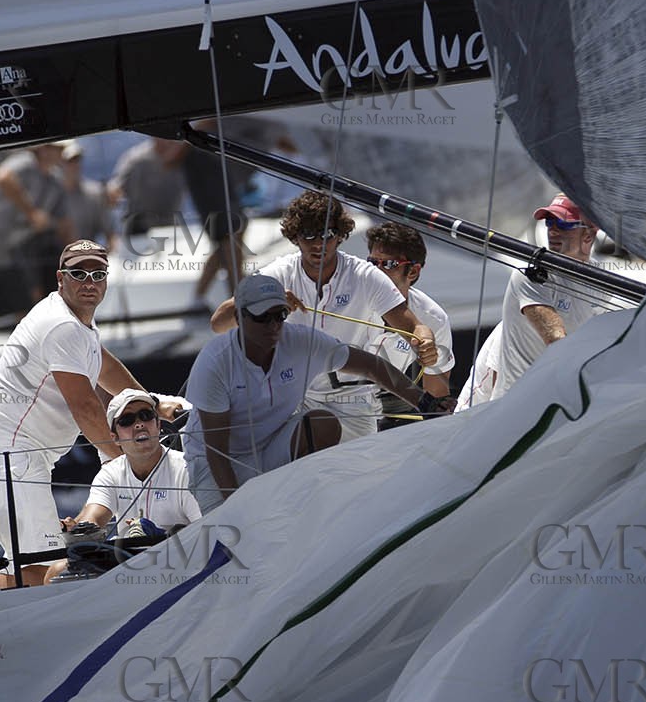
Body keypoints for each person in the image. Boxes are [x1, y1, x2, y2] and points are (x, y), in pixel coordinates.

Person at [0, 241, 169, 588]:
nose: (89, 282)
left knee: (25, 565)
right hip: (10, 456)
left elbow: (104, 366)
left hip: (17, 456)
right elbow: (85, 407)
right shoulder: (62, 326)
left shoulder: (78, 324)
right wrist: (131, 464)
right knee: (43, 566)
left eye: (98, 274)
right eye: (78, 274)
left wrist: (152, 404)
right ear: (60, 278)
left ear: (106, 280)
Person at [186, 274, 452, 513]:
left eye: (280, 315)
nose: (273, 325)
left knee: (321, 423)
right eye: (262, 317)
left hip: (270, 447)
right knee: (232, 532)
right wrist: (236, 511)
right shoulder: (215, 362)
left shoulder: (300, 340)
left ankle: (307, 509)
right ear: (239, 318)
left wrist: (424, 402)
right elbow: (216, 451)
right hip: (216, 464)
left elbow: (371, 366)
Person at [209, 191, 438, 444]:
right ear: (295, 237)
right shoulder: (279, 274)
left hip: (353, 402)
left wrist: (425, 342)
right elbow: (218, 324)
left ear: (340, 236)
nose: (318, 243)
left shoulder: (365, 275)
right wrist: (263, 300)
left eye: (327, 234)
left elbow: (415, 327)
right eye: (309, 235)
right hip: (291, 396)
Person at [44, 389, 200, 581]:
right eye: (127, 420)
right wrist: (75, 529)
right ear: (115, 437)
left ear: (158, 425)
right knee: (55, 571)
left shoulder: (187, 467)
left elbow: (204, 531)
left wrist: (161, 536)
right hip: (127, 563)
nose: (139, 424)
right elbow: (92, 520)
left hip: (179, 559)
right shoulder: (110, 473)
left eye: (146, 415)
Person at [489, 194, 611, 400]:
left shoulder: (601, 280)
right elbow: (556, 340)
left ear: (588, 235)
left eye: (563, 224)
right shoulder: (531, 273)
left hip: (558, 400)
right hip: (517, 402)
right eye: (549, 222)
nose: (552, 230)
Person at [184, 116, 295, 311]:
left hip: (230, 178)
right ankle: (240, 300)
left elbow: (286, 144)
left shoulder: (272, 124)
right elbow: (202, 123)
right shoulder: (236, 117)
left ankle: (204, 299)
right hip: (211, 168)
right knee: (230, 235)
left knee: (233, 235)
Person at [363, 223, 455, 428]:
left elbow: (436, 399)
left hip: (386, 403)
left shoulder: (434, 319)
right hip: (326, 398)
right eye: (372, 262)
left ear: (412, 271)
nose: (376, 271)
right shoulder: (350, 296)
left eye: (388, 264)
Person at [0, 142, 72, 321]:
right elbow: (3, 178)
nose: (60, 153)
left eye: (61, 149)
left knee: (21, 299)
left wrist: (78, 255)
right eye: (56, 148)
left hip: (11, 247)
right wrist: (31, 213)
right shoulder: (25, 161)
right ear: (42, 149)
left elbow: (64, 223)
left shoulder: (56, 181)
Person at [108, 136, 187, 238]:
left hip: (172, 228)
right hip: (139, 231)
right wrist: (113, 193)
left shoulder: (183, 156)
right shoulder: (135, 159)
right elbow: (115, 188)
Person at [59, 141, 117, 249]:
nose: (74, 165)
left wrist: (111, 253)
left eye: (77, 160)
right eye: (69, 161)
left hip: (88, 254)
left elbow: (110, 234)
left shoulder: (95, 193)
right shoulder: (52, 194)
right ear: (59, 163)